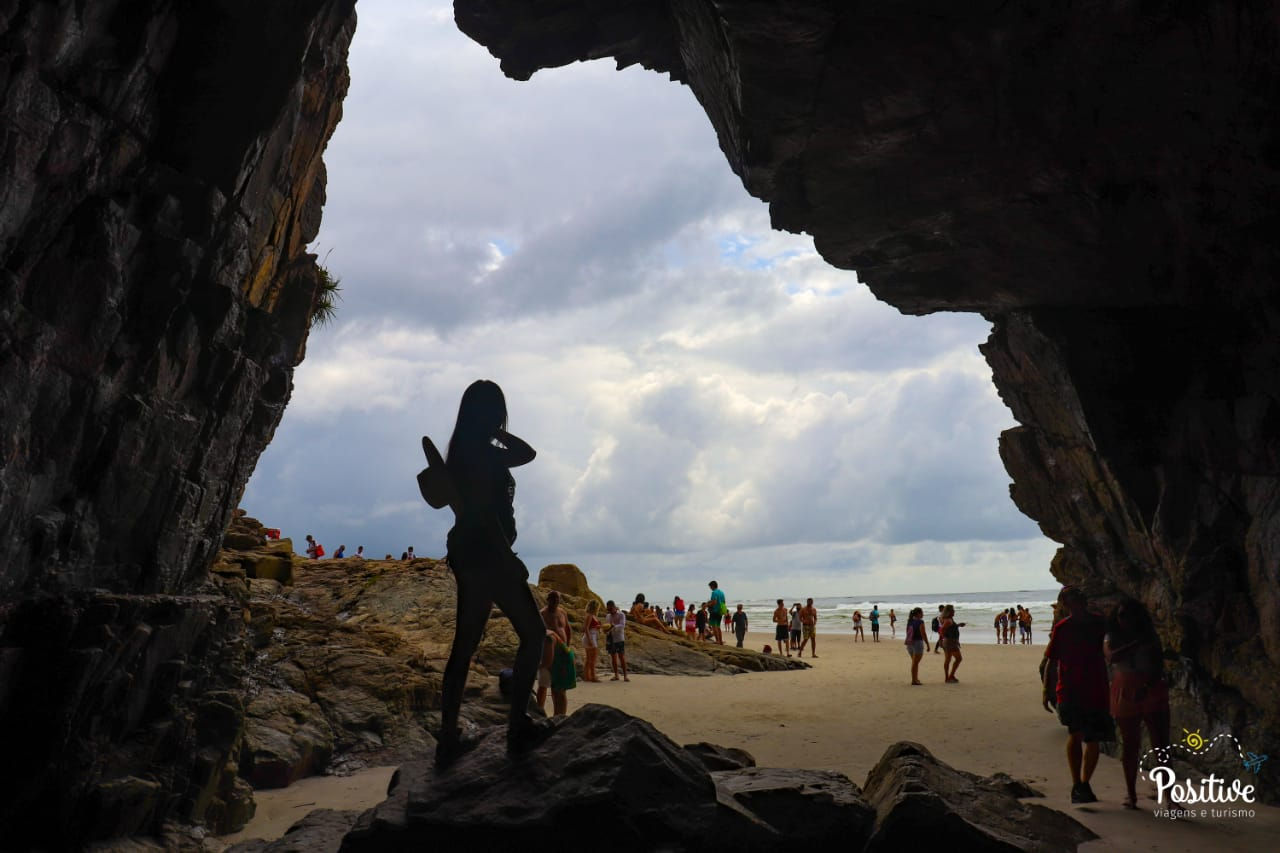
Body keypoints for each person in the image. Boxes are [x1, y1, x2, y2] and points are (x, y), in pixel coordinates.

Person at [431, 379, 543, 764]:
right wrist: (507, 558)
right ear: (491, 412)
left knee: (465, 644)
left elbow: (526, 455)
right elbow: (484, 511)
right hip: (487, 553)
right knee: (534, 634)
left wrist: (488, 428)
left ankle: (448, 735)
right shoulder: (484, 453)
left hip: (467, 552)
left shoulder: (464, 451)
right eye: (496, 409)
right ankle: (517, 725)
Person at [1042, 586, 1114, 805]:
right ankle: (1078, 784)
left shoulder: (1095, 623)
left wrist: (1047, 690)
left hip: (1092, 688)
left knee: (1089, 738)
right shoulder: (1066, 627)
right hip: (1075, 688)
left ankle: (1082, 784)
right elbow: (1052, 661)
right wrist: (1047, 689)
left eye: (1076, 600)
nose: (1075, 604)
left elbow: (1051, 661)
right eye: (1071, 601)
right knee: (1079, 735)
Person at [1105, 598, 1173, 810]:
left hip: (1151, 687)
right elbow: (1112, 657)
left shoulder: (1150, 637)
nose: (1125, 619)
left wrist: (1147, 687)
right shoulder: (1112, 637)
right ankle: (1131, 794)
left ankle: (1170, 798)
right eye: (1121, 615)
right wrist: (1138, 643)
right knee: (1130, 745)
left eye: (1129, 615)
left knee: (1161, 745)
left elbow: (1158, 666)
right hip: (1125, 688)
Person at [903, 607, 931, 684]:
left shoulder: (910, 621)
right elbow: (923, 634)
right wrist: (927, 644)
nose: (923, 614)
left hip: (910, 643)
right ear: (918, 613)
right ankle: (914, 680)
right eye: (922, 612)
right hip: (917, 643)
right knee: (915, 663)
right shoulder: (920, 622)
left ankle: (915, 679)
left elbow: (907, 632)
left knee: (914, 662)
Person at [938, 605, 966, 682]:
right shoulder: (948, 620)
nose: (954, 611)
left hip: (948, 641)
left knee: (948, 659)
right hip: (950, 642)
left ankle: (948, 678)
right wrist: (944, 638)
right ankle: (951, 676)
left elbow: (949, 628)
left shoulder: (947, 619)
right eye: (953, 610)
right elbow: (942, 630)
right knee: (958, 659)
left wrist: (958, 625)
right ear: (949, 612)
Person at [605, 599, 629, 681]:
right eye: (608, 609)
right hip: (610, 638)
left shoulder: (621, 614)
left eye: (610, 609)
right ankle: (616, 675)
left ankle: (625, 676)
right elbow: (607, 627)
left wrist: (613, 626)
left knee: (621, 657)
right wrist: (605, 630)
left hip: (619, 638)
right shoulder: (608, 616)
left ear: (614, 607)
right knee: (613, 657)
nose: (609, 611)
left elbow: (622, 626)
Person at [582, 600, 602, 682]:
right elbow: (586, 628)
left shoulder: (592, 616)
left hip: (590, 636)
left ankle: (587, 676)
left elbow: (590, 627)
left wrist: (597, 627)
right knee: (593, 659)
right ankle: (593, 677)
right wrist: (590, 639)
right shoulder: (590, 615)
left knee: (588, 659)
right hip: (590, 637)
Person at [708, 580, 726, 645]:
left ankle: (717, 641)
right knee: (718, 626)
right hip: (720, 611)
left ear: (712, 586)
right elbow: (724, 602)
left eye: (710, 587)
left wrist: (708, 605)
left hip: (714, 611)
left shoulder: (714, 592)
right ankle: (720, 641)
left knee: (713, 626)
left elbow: (714, 602)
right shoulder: (722, 592)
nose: (710, 588)